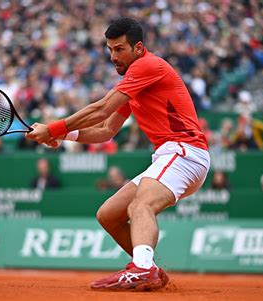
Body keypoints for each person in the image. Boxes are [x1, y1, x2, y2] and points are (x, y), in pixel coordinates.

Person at [26, 18, 210, 291]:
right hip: (170, 156)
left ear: (138, 48)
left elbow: (100, 109)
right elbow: (105, 130)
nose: (113, 56)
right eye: (110, 49)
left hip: (184, 151)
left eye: (119, 49)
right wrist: (60, 135)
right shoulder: (135, 82)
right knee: (109, 214)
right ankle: (151, 271)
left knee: (140, 206)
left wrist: (52, 127)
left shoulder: (148, 66)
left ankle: (143, 269)